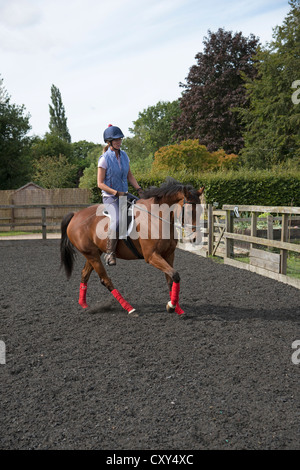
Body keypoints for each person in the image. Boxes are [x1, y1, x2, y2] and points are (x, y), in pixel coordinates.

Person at [97, 124, 143, 266]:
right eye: (116, 140)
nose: (119, 142)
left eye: (120, 139)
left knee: (144, 209)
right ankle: (110, 253)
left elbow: (130, 175)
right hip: (110, 197)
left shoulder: (124, 156)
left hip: (125, 194)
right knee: (117, 220)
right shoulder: (104, 159)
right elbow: (100, 183)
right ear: (109, 142)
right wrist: (116, 192)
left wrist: (139, 189)